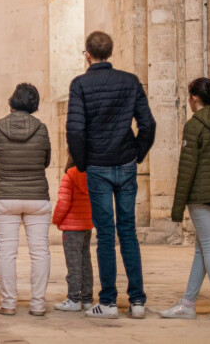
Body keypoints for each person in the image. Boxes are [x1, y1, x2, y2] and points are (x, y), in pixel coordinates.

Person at [66, 31, 156, 319]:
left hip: (98, 166)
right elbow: (148, 124)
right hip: (125, 163)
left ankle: (107, 303)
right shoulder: (129, 81)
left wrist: (82, 163)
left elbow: (75, 130)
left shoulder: (80, 84)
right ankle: (137, 301)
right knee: (128, 231)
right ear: (110, 52)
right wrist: (136, 153)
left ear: (88, 54)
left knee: (105, 234)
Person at [160, 78, 210, 322]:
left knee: (209, 248)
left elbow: (186, 169)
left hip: (200, 195)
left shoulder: (194, 126)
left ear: (193, 98)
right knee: (201, 250)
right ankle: (188, 303)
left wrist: (177, 208)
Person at [0, 83, 51, 316]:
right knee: (40, 251)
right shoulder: (41, 128)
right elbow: (46, 160)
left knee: (5, 251)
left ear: (12, 101)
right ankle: (38, 305)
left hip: (6, 196)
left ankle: (9, 303)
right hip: (37, 197)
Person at [52, 153, 93, 312]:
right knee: (85, 262)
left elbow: (63, 202)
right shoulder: (91, 174)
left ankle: (73, 299)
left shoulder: (70, 176)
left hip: (71, 227)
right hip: (86, 224)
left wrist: (56, 220)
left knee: (73, 264)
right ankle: (87, 299)